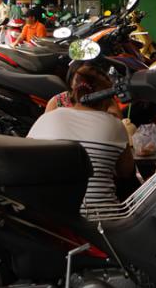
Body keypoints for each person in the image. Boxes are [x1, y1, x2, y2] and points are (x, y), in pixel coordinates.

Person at [27, 65, 134, 215]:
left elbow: (27, 163)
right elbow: (126, 172)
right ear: (106, 98)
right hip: (103, 217)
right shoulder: (115, 125)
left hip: (54, 217)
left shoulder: (48, 117)